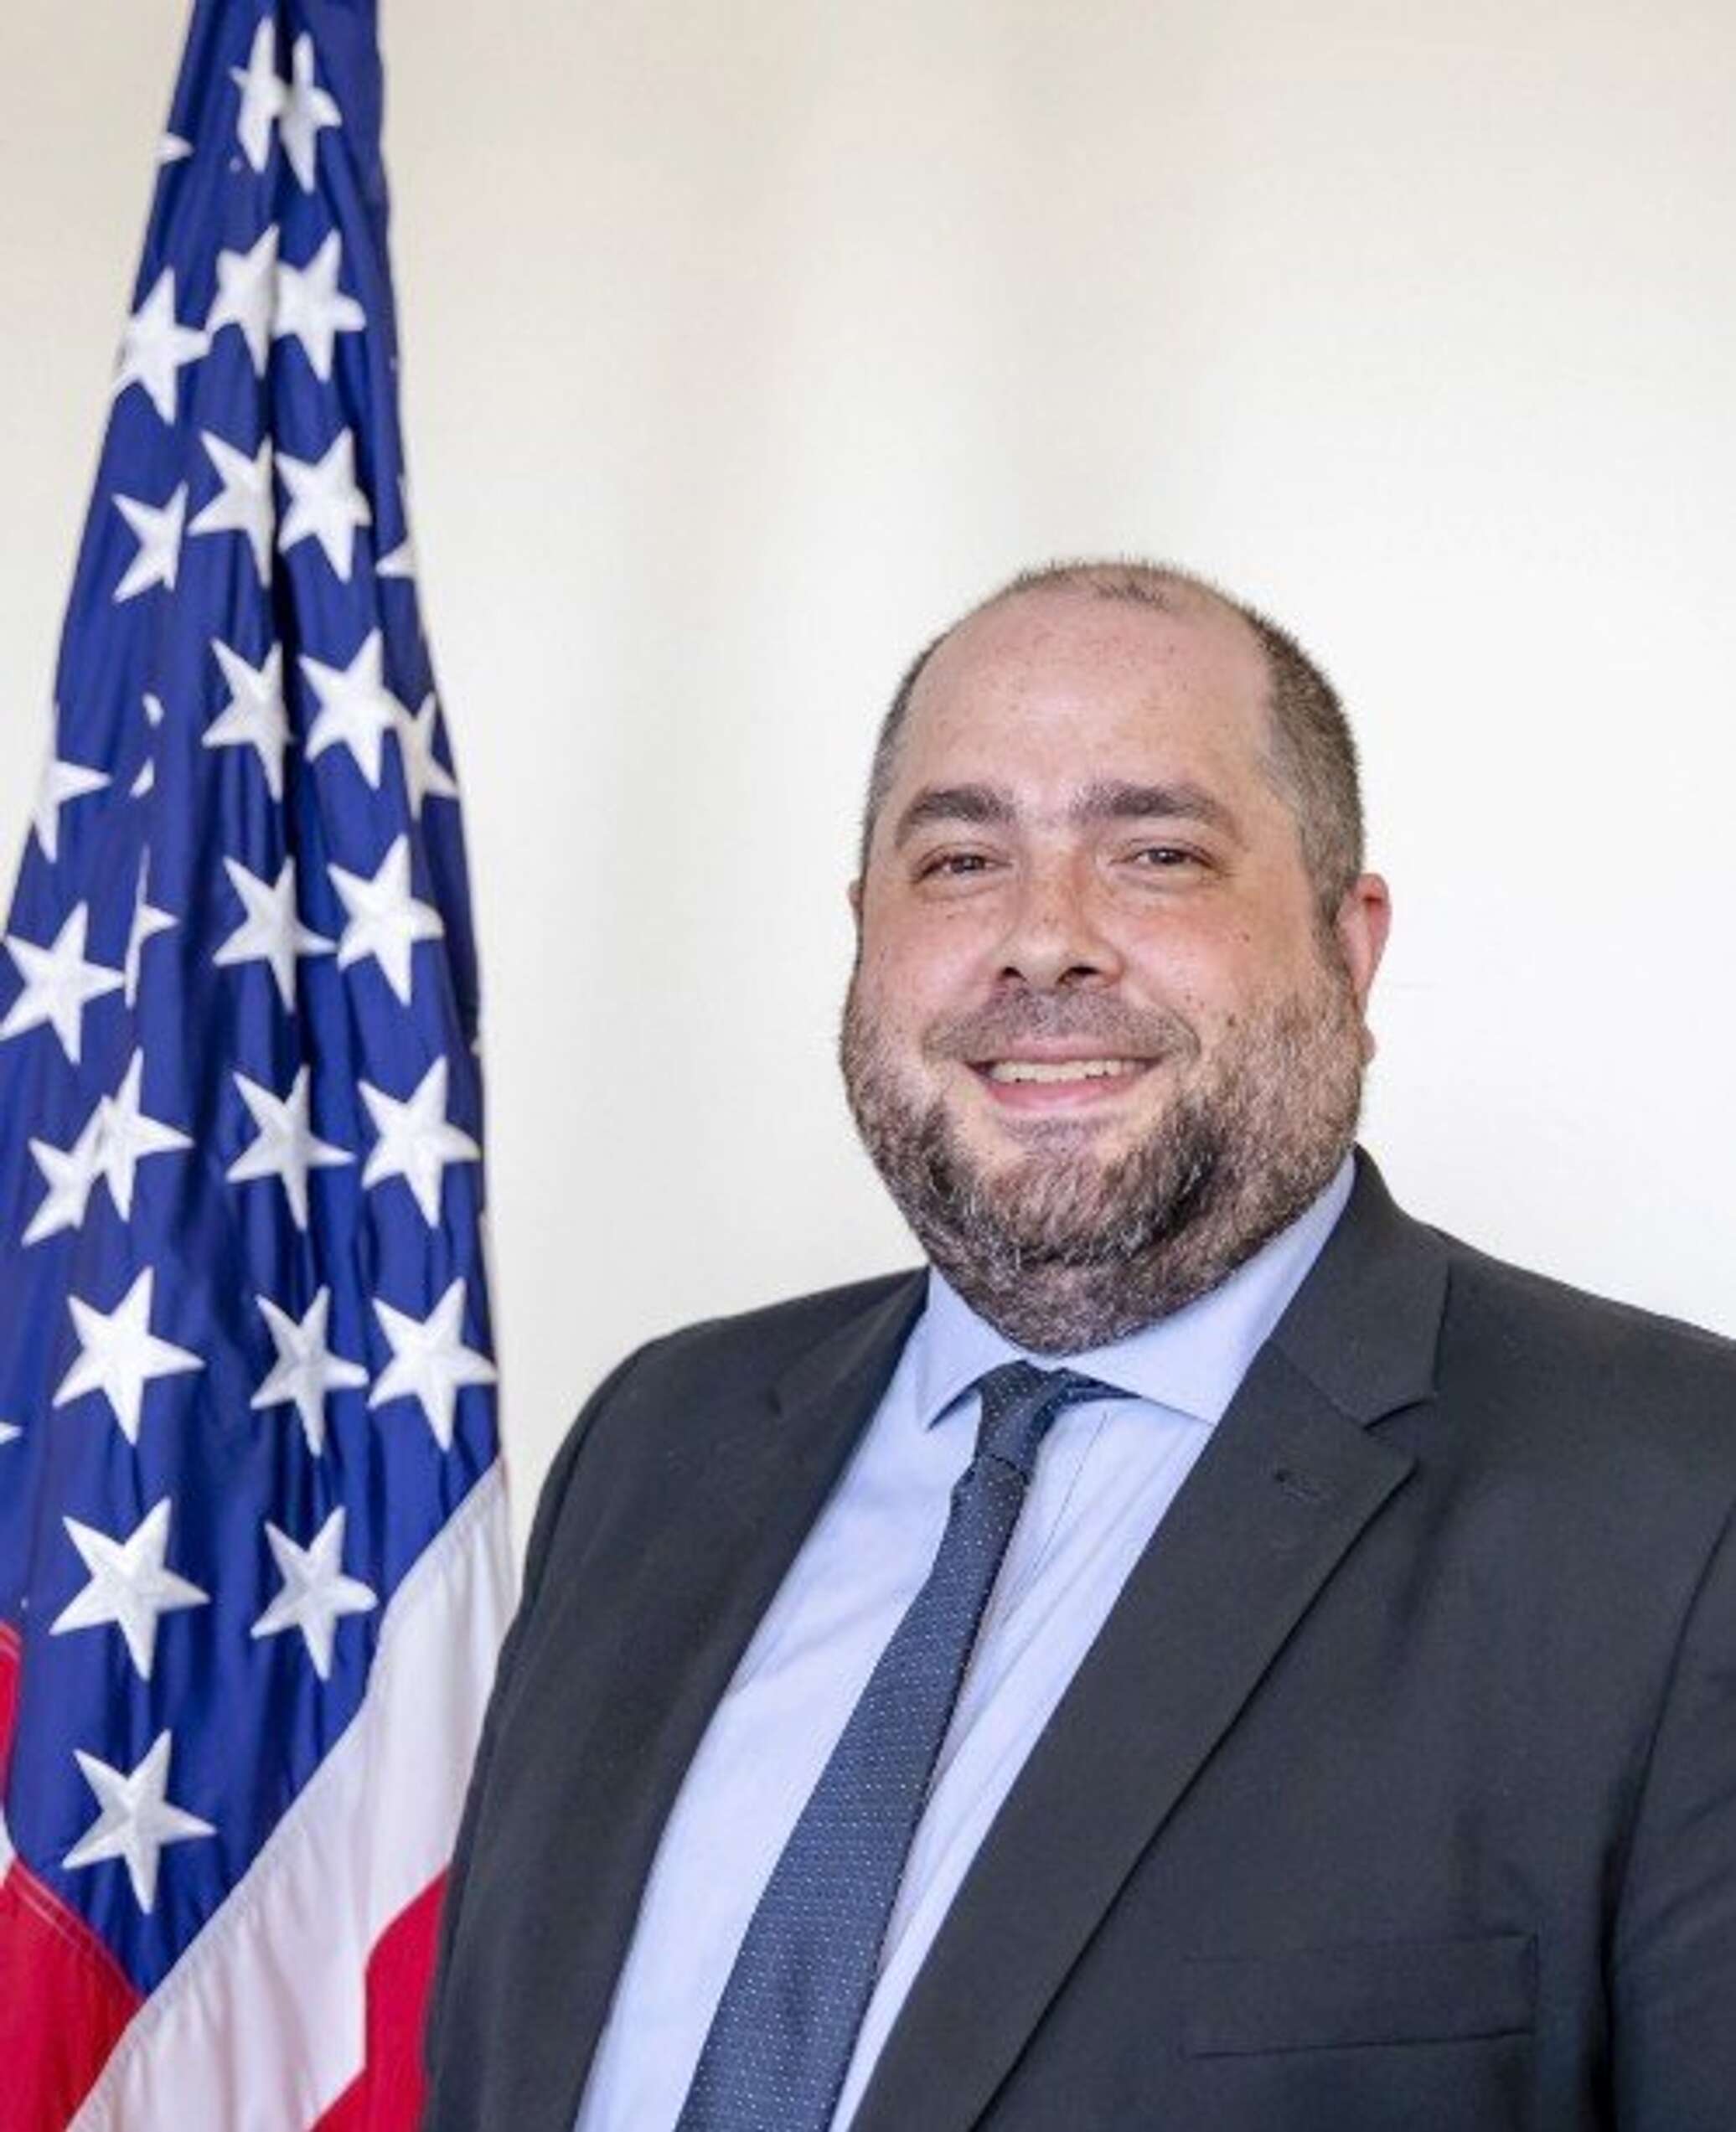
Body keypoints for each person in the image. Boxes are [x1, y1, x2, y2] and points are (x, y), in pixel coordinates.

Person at [421, 561, 1736, 2131]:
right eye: (961, 859)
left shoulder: (1677, 1508)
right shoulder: (656, 1441)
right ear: (864, 937)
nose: (1044, 941)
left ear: (1350, 945)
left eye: (1157, 853)